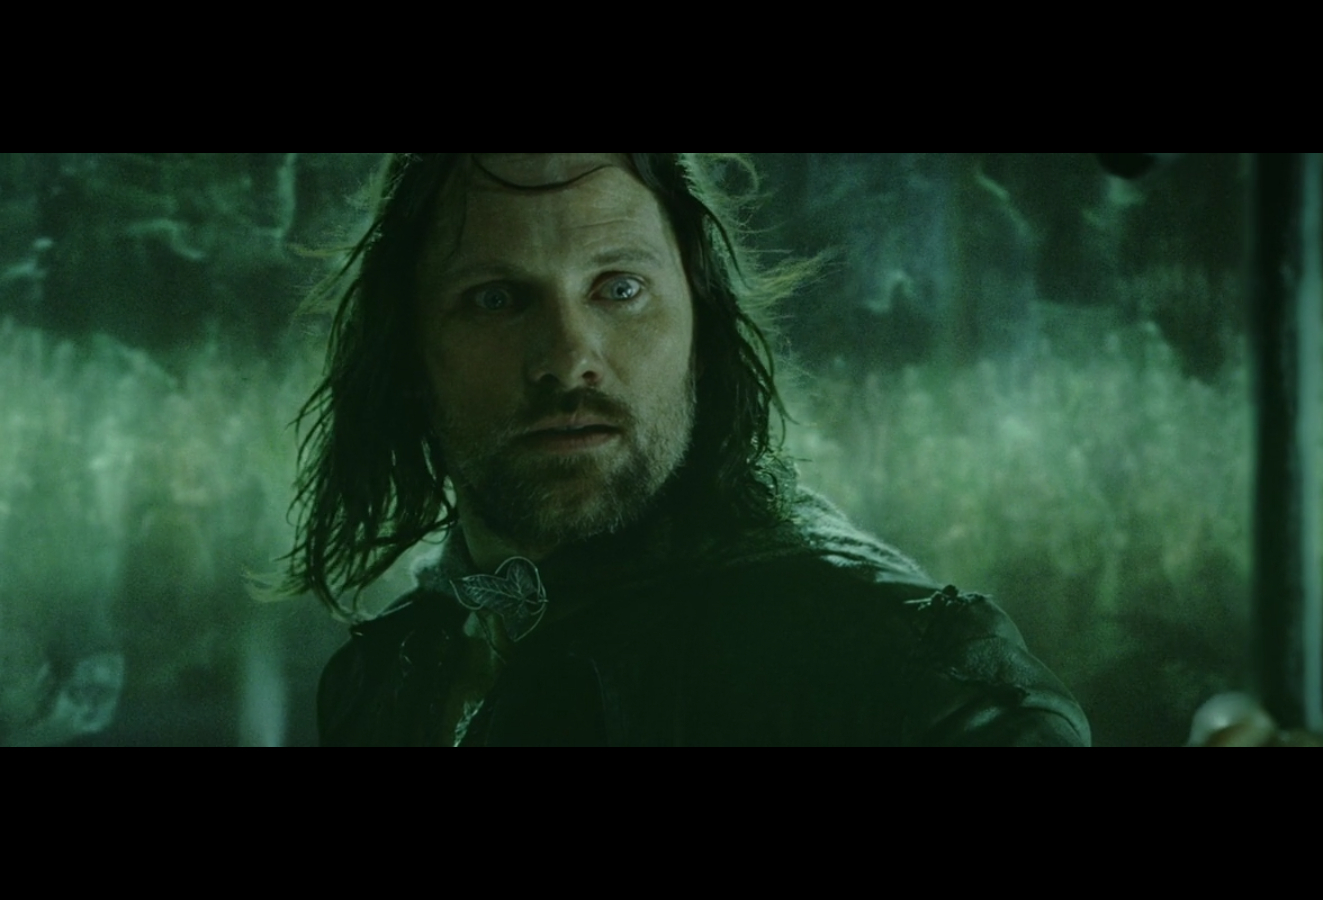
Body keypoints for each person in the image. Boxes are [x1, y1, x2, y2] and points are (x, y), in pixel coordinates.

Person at [287, 153, 1090, 747]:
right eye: (496, 298)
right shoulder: (380, 679)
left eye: (619, 288)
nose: (568, 357)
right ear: (409, 354)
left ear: (700, 327)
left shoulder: (904, 672)